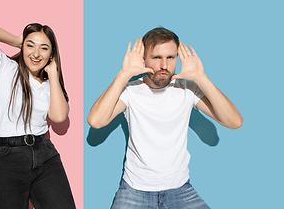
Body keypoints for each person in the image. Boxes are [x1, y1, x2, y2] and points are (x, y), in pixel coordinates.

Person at [87, 27, 243, 209]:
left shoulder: (188, 89)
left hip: (180, 189)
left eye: (170, 57)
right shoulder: (130, 90)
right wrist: (123, 74)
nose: (164, 65)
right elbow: (96, 121)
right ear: (144, 58)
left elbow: (234, 122)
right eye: (156, 57)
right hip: (134, 189)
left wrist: (201, 78)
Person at [0, 18, 76, 209]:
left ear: (51, 54)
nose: (35, 53)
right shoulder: (4, 68)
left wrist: (54, 73)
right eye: (30, 45)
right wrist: (17, 40)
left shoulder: (51, 87)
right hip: (4, 159)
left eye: (43, 48)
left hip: (45, 156)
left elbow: (59, 117)